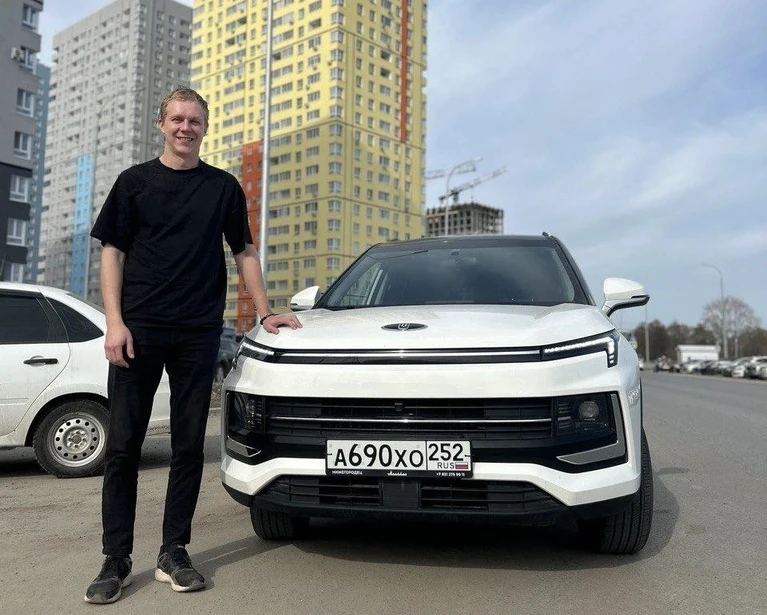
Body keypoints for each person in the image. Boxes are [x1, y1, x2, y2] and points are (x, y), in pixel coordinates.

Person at [84, 87, 301, 604]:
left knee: (187, 447)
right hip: (138, 329)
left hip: (198, 331)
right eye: (178, 119)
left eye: (195, 120)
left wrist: (265, 311)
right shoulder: (134, 183)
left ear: (205, 126)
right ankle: (116, 559)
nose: (186, 127)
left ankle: (173, 552)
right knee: (123, 446)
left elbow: (244, 251)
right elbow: (113, 253)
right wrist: (114, 322)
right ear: (162, 124)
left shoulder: (222, 187)